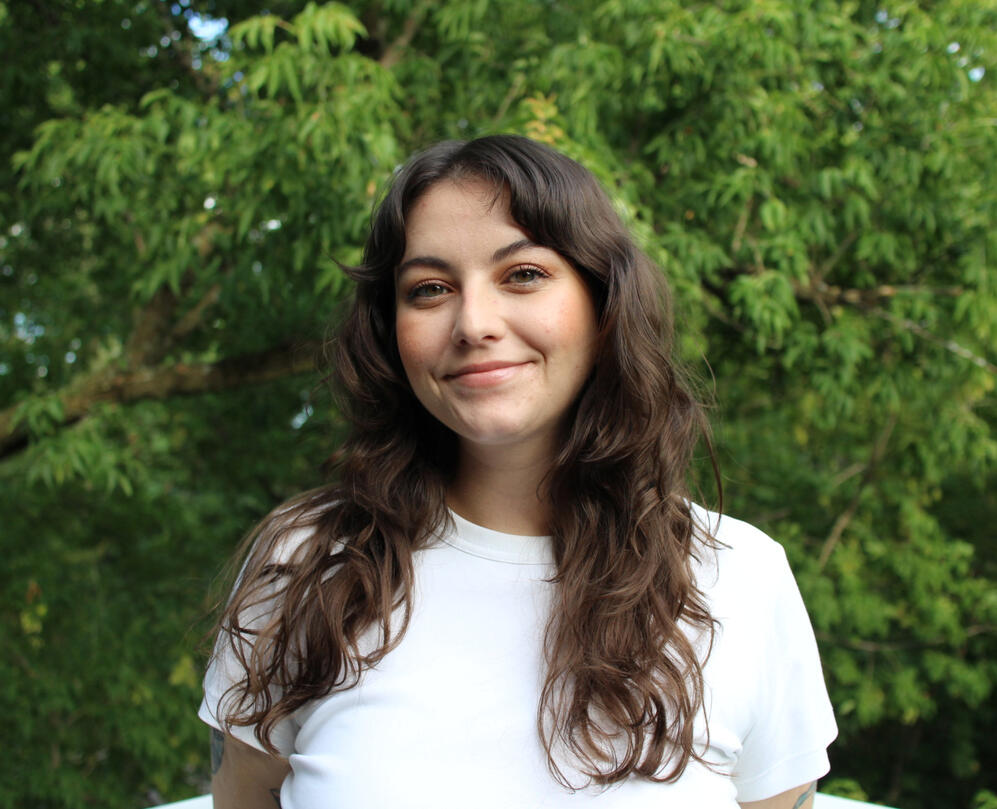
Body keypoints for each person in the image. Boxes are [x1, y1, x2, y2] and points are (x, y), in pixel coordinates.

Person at [199, 135, 837, 809]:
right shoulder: (308, 563)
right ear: (390, 332)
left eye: (523, 274)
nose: (473, 323)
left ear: (603, 303)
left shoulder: (740, 577)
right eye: (429, 289)